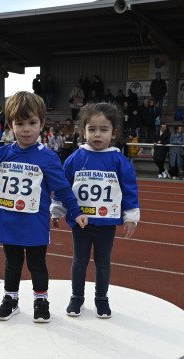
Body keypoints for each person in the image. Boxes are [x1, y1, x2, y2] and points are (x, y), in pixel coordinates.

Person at [0, 91, 88, 323]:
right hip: (8, 222)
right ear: (11, 125)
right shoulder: (4, 154)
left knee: (37, 265)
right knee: (12, 264)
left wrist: (77, 212)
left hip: (35, 225)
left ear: (42, 124)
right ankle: (10, 302)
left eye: (32, 123)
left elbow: (63, 189)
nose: (26, 129)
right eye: (20, 123)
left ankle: (41, 302)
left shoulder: (49, 159)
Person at [50, 103, 139, 319]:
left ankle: (101, 299)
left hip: (106, 223)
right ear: (83, 131)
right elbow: (64, 187)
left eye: (103, 129)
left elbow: (129, 191)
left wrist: (130, 217)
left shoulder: (119, 161)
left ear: (113, 133)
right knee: (79, 260)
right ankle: (77, 298)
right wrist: (57, 211)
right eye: (92, 129)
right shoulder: (75, 159)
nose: (97, 135)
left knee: (103, 262)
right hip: (81, 222)